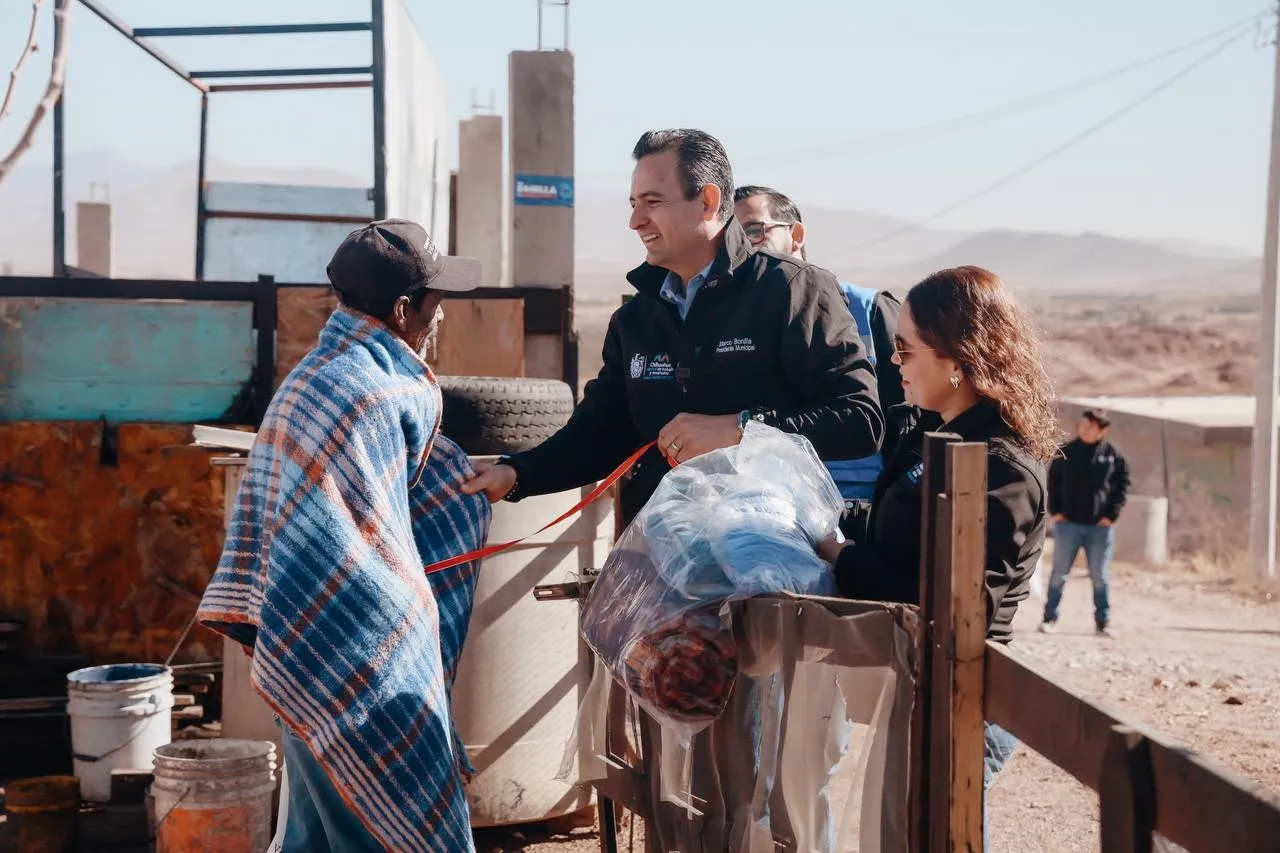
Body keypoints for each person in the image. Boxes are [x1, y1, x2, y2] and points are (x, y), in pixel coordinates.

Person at [196, 219, 490, 853]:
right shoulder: (382, 393)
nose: (439, 320)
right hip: (364, 663)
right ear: (405, 308)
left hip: (303, 654)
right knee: (386, 828)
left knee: (314, 835)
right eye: (435, 304)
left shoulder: (310, 383)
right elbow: (357, 546)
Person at [462, 129, 883, 526]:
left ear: (707, 202)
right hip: (663, 552)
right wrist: (516, 475)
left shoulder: (794, 289)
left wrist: (742, 429)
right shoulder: (636, 319)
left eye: (652, 202)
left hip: (769, 552)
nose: (635, 221)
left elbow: (860, 420)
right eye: (633, 204)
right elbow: (599, 434)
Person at [815, 265, 1057, 853]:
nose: (893, 362)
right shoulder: (937, 435)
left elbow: (954, 606)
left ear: (957, 356)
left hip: (965, 697)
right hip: (927, 685)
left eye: (903, 350)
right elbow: (899, 534)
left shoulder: (1001, 466)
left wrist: (841, 557)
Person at [732, 185, 904, 523]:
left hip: (861, 512)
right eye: (733, 236)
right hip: (771, 513)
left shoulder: (870, 310)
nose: (742, 246)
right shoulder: (733, 326)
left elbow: (907, 423)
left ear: (795, 235)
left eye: (753, 231)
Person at [1040, 408, 1130, 637]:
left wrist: (1111, 516)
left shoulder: (1113, 455)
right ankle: (1049, 618)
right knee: (1059, 573)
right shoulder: (1067, 452)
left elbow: (1122, 487)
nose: (1084, 430)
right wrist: (1056, 512)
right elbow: (1052, 482)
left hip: (1099, 529)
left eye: (1090, 427)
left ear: (1102, 430)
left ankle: (1103, 622)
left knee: (1099, 575)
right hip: (1068, 525)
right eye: (1082, 425)